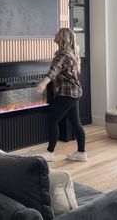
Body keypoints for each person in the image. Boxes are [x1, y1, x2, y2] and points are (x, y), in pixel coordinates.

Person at [36, 27, 87, 162]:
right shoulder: (69, 54)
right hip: (73, 92)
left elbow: (54, 70)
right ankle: (81, 153)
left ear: (63, 38)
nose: (55, 34)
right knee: (75, 122)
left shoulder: (63, 55)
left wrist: (43, 83)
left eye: (58, 33)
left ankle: (50, 153)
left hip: (67, 93)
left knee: (52, 120)